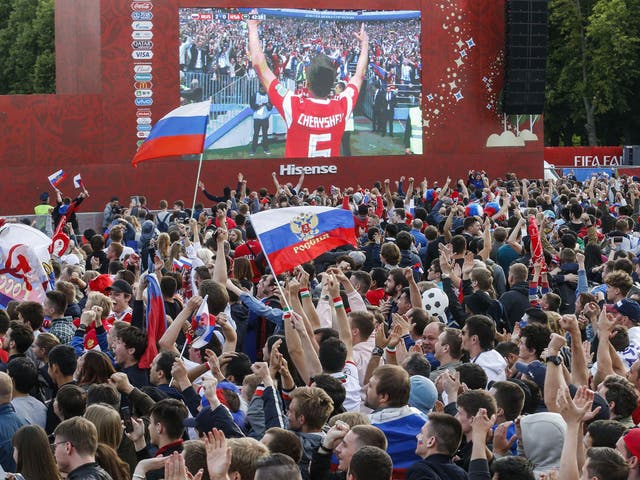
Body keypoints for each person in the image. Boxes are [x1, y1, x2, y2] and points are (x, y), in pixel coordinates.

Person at [247, 16, 369, 158]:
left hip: (297, 179)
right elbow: (359, 75)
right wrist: (365, 44)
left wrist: (252, 27)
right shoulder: (343, 105)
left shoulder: (293, 105)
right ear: (332, 84)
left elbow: (260, 66)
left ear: (308, 83)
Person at [249, 84, 272, 156]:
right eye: (261, 88)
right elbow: (252, 105)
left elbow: (271, 106)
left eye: (263, 88)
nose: (262, 90)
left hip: (265, 118)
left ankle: (266, 149)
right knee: (256, 134)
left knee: (265, 134)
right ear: (259, 88)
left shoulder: (268, 95)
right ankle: (253, 150)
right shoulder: (255, 95)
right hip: (257, 118)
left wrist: (269, 105)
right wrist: (259, 106)